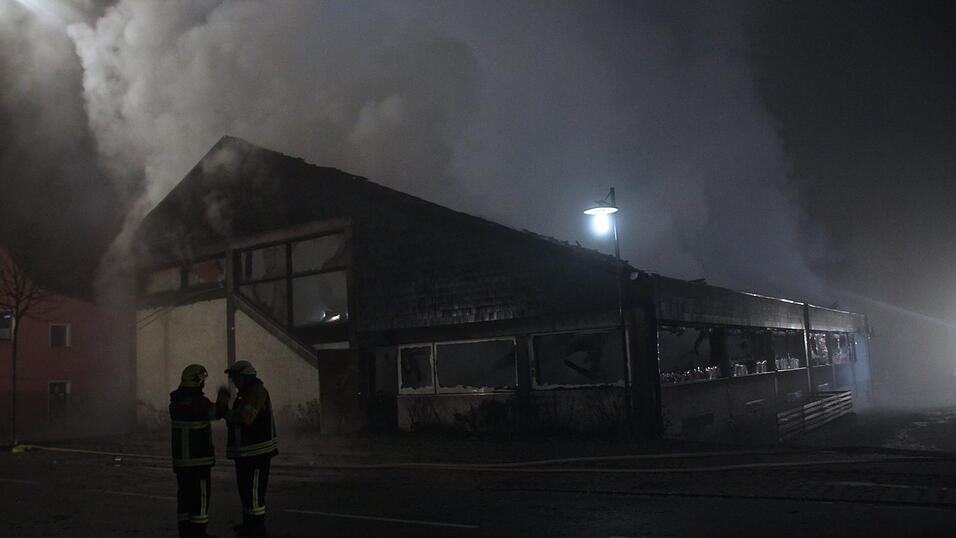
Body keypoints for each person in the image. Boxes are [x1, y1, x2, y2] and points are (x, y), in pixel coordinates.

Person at [220, 360, 278, 537]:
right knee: (245, 491)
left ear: (245, 376)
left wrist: (225, 412)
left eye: (235, 377)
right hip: (246, 452)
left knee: (253, 493)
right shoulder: (245, 393)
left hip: (257, 452)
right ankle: (248, 525)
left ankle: (256, 528)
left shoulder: (256, 392)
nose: (233, 381)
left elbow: (245, 417)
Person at [169, 364, 226, 538]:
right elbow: (217, 413)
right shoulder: (199, 402)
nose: (203, 384)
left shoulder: (175, 402)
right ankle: (199, 533)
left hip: (181, 462)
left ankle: (185, 532)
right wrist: (223, 397)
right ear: (196, 382)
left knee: (184, 498)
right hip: (199, 461)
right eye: (202, 381)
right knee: (200, 499)